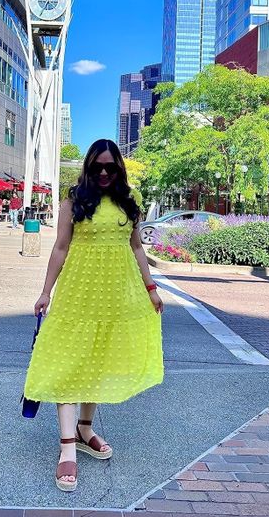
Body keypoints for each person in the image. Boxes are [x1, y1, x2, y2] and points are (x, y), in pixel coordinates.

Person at [23, 139, 164, 492]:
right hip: (78, 293)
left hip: (117, 294)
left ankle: (85, 430)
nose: (103, 172)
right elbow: (60, 247)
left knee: (98, 362)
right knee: (70, 362)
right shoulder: (73, 200)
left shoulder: (129, 202)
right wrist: (45, 292)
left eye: (110, 167)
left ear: (119, 169)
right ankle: (66, 447)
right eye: (97, 166)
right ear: (88, 167)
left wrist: (150, 289)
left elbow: (136, 247)